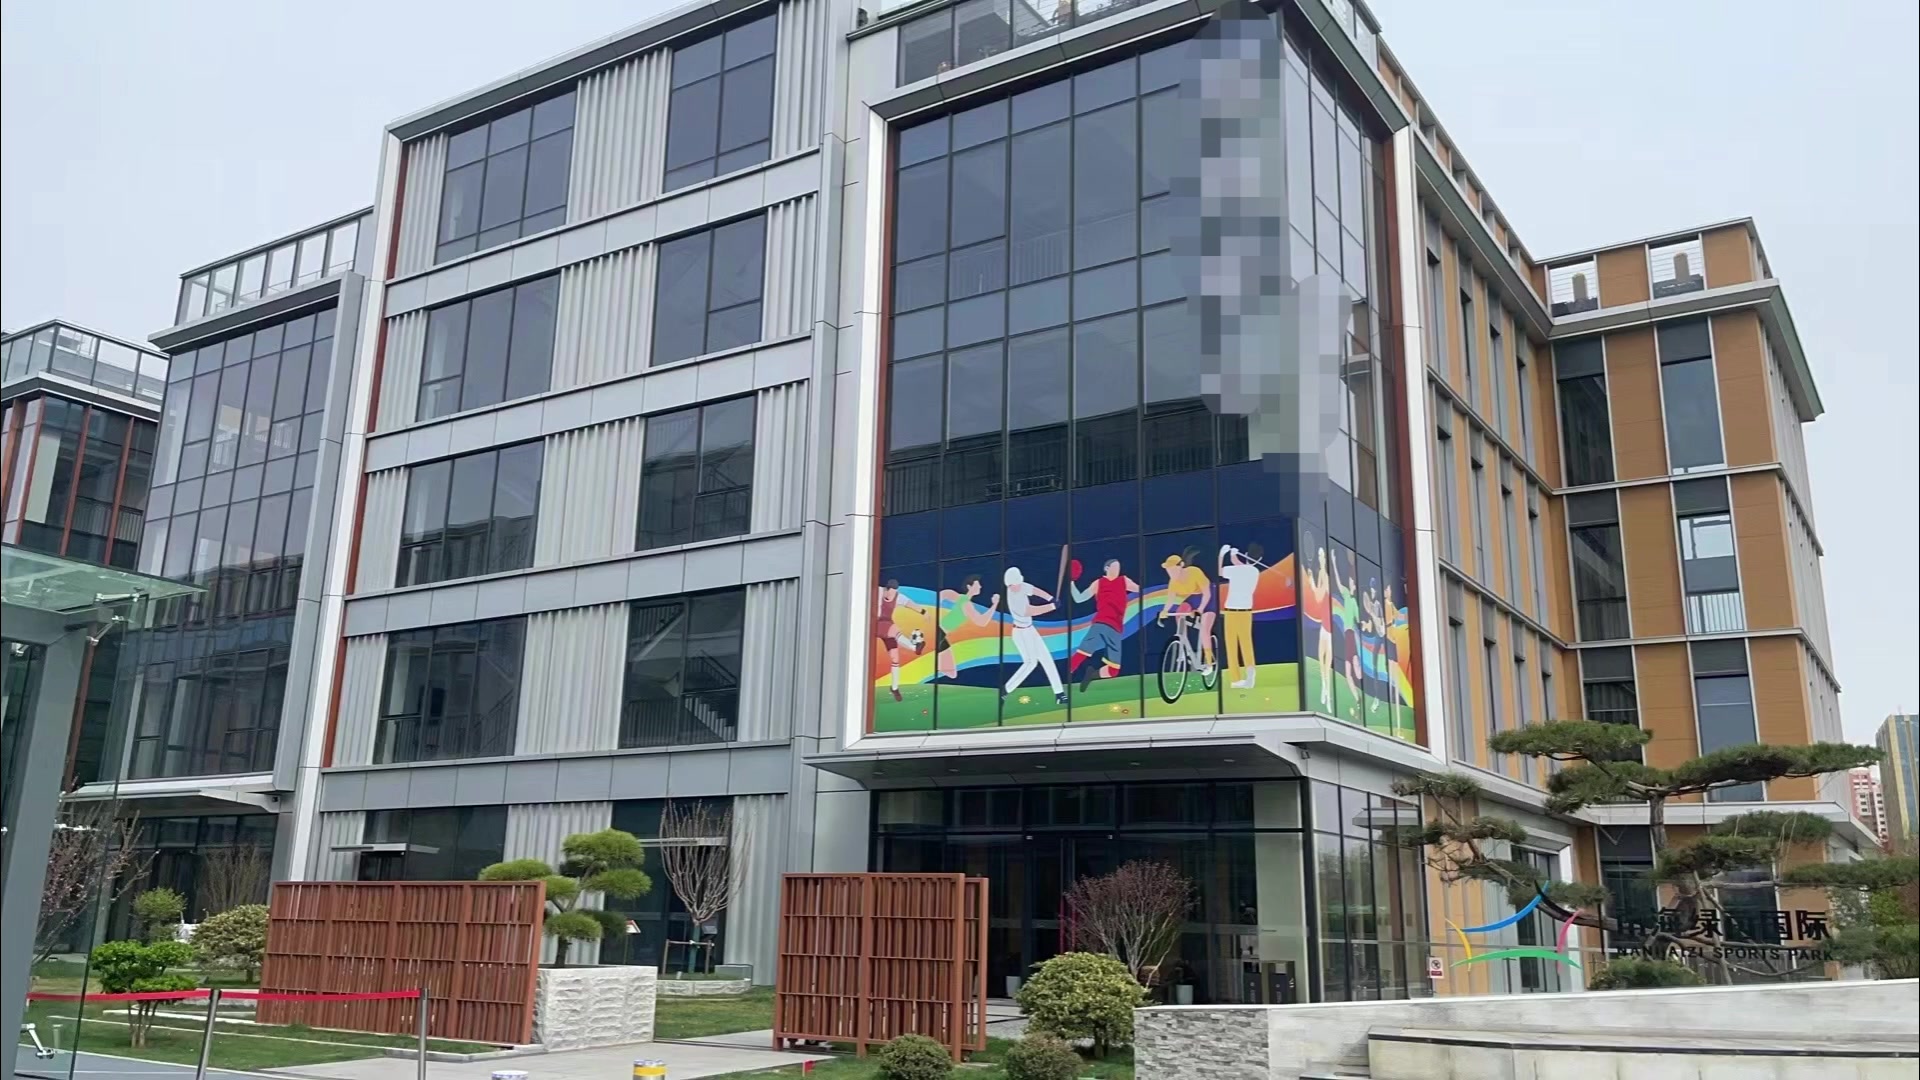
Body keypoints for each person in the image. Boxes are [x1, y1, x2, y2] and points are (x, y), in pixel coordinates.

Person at [1069, 558, 1138, 690]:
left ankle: (1092, 675)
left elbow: (1138, 589)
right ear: (1106, 568)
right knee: (1082, 653)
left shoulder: (1124, 580)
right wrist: (1071, 582)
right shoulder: (1098, 583)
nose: (1117, 570)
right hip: (1101, 623)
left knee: (1113, 670)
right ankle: (1061, 680)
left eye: (1119, 567)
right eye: (1115, 567)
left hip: (1116, 628)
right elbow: (1079, 598)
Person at [1001, 566, 1067, 704]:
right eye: (1013, 585)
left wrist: (1050, 598)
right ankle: (1006, 689)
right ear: (1009, 585)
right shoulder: (1013, 597)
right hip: (1020, 633)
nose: (1017, 586)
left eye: (1018, 583)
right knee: (1031, 663)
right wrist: (1051, 607)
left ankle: (1059, 694)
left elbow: (1034, 590)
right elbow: (1029, 611)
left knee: (1047, 659)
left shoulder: (1020, 585)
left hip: (1030, 630)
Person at [1158, 550, 1216, 675]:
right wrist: (1164, 612)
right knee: (1180, 612)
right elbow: (1170, 600)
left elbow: (1207, 593)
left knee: (1204, 629)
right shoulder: (1173, 583)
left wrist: (1200, 609)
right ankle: (1182, 646)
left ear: (1181, 566)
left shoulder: (1194, 572)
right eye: (1168, 570)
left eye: (1173, 569)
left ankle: (1209, 663)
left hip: (1208, 597)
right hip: (1193, 598)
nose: (1170, 572)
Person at [936, 575, 999, 680]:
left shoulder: (961, 598)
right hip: (939, 633)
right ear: (969, 587)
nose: (980, 587)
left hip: (941, 635)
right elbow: (982, 622)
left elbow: (945, 593)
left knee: (951, 673)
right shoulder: (966, 604)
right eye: (977, 585)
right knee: (949, 672)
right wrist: (995, 604)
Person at [1218, 543, 1263, 689]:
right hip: (1246, 611)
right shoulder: (1255, 571)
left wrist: (1222, 554)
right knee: (1246, 643)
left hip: (1231, 611)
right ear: (1259, 559)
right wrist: (1233, 555)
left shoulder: (1237, 570)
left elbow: (1220, 571)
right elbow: (1238, 564)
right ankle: (1250, 672)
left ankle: (1236, 679)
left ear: (1246, 555)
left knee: (1231, 645)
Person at [875, 579, 927, 703]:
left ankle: (894, 688)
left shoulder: (898, 597)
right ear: (886, 589)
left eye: (894, 593)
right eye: (891, 593)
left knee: (895, 658)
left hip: (887, 625)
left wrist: (923, 612)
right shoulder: (877, 591)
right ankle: (914, 647)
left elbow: (909, 603)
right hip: (875, 624)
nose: (892, 596)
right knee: (894, 630)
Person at [1301, 538, 1334, 711]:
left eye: (1322, 558)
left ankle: (1327, 693)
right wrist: (1311, 579)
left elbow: (1318, 596)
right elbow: (1317, 595)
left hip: (1328, 627)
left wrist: (1312, 580)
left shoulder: (1326, 578)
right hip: (1324, 625)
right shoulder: (1323, 578)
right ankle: (1325, 689)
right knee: (1322, 658)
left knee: (1326, 660)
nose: (1321, 561)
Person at [1334, 552, 1362, 712]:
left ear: (1354, 586)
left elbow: (1358, 620)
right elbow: (1339, 582)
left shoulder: (1353, 601)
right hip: (1347, 636)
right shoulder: (1345, 594)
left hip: (1351, 634)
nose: (1350, 583)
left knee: (1354, 668)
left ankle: (1359, 681)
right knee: (1348, 673)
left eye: (1352, 582)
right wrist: (1334, 562)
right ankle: (1357, 699)